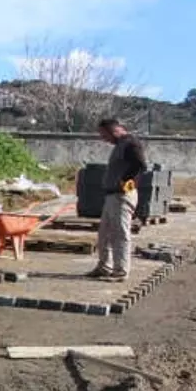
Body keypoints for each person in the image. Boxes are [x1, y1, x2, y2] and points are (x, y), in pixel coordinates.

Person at [89, 118, 148, 283]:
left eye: (104, 135)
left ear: (114, 130)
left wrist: (125, 180)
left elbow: (141, 164)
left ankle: (121, 271)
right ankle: (104, 267)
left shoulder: (130, 143)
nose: (103, 139)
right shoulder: (120, 145)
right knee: (105, 234)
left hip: (122, 195)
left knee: (120, 233)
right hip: (112, 195)